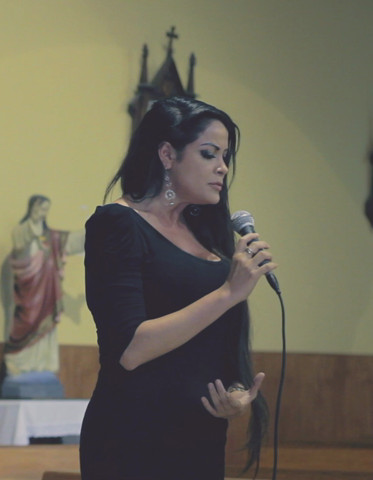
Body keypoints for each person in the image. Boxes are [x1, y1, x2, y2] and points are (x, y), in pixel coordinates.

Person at [80, 97, 274, 479]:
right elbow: (130, 350)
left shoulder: (209, 238)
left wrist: (235, 395)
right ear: (167, 154)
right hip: (132, 440)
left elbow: (216, 344)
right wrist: (227, 293)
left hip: (200, 440)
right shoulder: (118, 224)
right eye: (209, 154)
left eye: (226, 156)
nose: (222, 167)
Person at [3, 195, 84, 381]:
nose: (43, 213)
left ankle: (43, 366)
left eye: (46, 210)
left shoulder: (51, 237)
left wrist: (96, 227)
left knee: (46, 325)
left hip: (48, 290)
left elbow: (71, 241)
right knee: (28, 320)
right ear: (31, 208)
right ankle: (18, 364)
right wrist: (32, 229)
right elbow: (19, 241)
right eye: (40, 208)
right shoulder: (23, 230)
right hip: (30, 290)